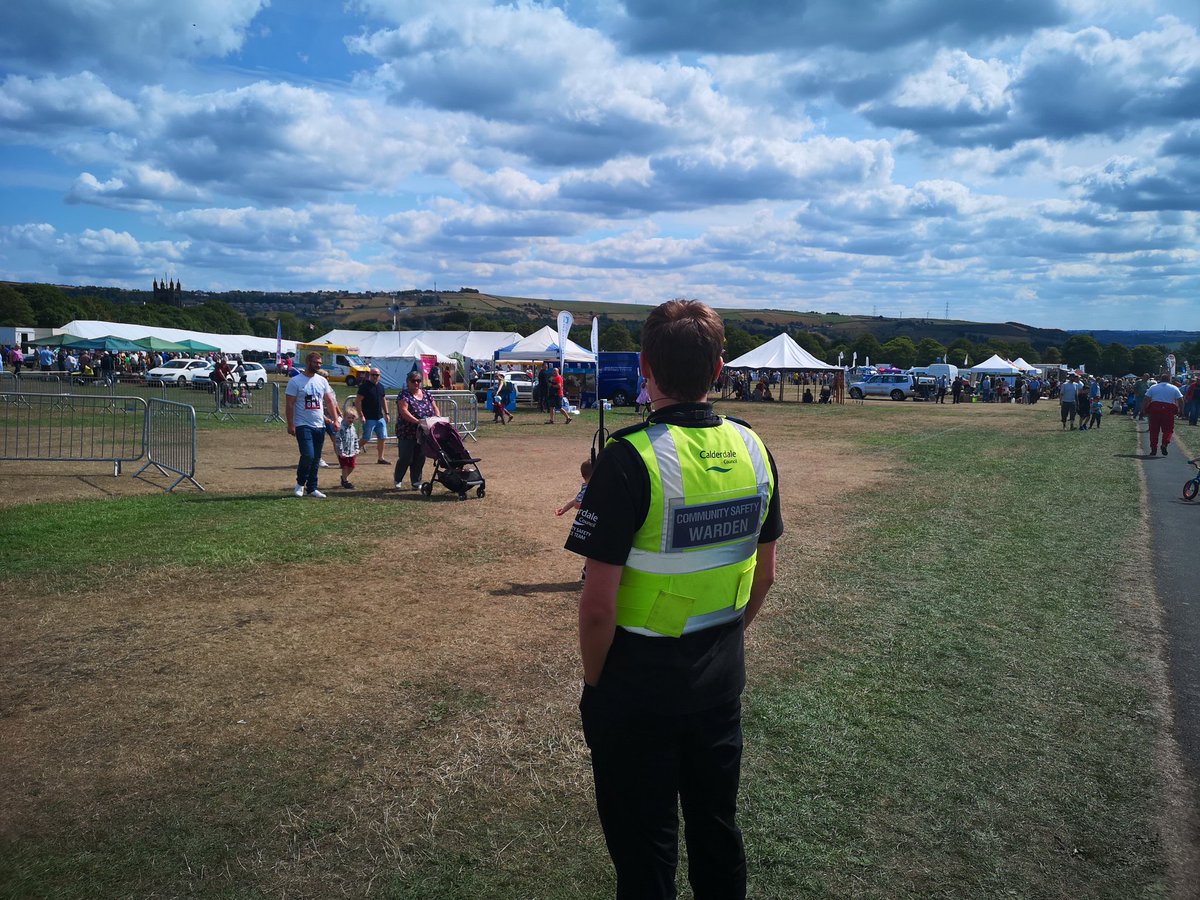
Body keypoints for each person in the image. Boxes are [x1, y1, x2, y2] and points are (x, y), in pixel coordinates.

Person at [566, 299, 783, 900]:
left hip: (635, 688)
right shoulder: (754, 448)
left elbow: (597, 605)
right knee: (716, 833)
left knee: (645, 850)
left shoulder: (630, 458)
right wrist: (725, 638)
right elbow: (764, 576)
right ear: (718, 368)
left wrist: (596, 682)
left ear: (644, 367)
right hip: (719, 679)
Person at [285, 351, 340, 498]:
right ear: (309, 362)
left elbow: (329, 401)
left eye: (320, 363)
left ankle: (312, 487)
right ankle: (300, 483)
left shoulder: (322, 381)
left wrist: (335, 419)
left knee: (316, 457)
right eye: (316, 362)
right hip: (303, 424)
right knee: (308, 455)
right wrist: (291, 424)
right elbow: (289, 404)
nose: (319, 365)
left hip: (319, 425)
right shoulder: (295, 381)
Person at [394, 370, 440, 490]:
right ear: (408, 382)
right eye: (413, 381)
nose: (416, 383)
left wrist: (437, 419)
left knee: (420, 457)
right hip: (407, 431)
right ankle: (398, 479)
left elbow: (435, 408)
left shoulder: (427, 394)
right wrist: (417, 421)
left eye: (418, 380)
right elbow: (404, 411)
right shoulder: (404, 395)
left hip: (424, 431)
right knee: (406, 457)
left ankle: (416, 481)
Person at [355, 367, 391, 465]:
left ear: (380, 376)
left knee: (382, 437)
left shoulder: (381, 386)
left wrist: (387, 413)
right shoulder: (364, 386)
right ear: (369, 375)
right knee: (366, 438)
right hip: (368, 418)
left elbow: (383, 400)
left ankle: (381, 458)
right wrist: (361, 415)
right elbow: (358, 401)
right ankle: (351, 453)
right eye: (373, 375)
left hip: (379, 417)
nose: (375, 377)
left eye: (377, 375)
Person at [1142, 377, 1184, 456]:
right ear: (1169, 380)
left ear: (1160, 380)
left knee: (1154, 430)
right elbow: (1181, 400)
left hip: (1155, 408)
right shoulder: (1174, 388)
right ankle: (1165, 443)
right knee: (1168, 429)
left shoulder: (1153, 387)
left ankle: (1153, 449)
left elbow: (1146, 399)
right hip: (1168, 410)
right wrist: (1181, 410)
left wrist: (1144, 409)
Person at [333, 406, 362, 490]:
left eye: (352, 418)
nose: (350, 419)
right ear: (344, 417)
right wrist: (340, 452)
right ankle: (345, 481)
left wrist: (357, 448)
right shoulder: (341, 428)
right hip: (343, 452)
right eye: (348, 417)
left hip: (351, 451)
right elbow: (338, 440)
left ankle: (343, 477)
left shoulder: (352, 428)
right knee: (345, 466)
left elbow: (355, 438)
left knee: (352, 466)